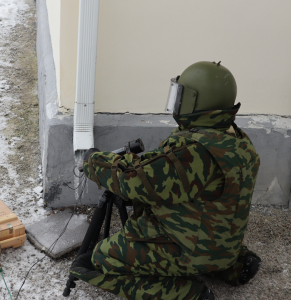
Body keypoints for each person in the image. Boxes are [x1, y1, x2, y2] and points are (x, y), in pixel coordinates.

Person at [69, 61, 262, 300]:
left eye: (181, 96)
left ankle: (188, 294)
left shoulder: (194, 151)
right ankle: (234, 266)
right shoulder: (238, 141)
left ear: (196, 102)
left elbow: (134, 181)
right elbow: (174, 177)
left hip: (191, 248)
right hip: (224, 245)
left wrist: (94, 162)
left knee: (101, 257)